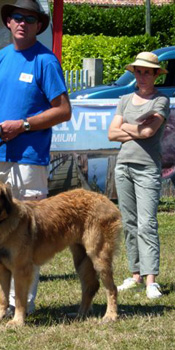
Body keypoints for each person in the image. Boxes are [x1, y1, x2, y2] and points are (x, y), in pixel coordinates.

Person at [0, 0, 71, 315]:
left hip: (29, 160)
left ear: (38, 26)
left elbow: (63, 110)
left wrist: (25, 125)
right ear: (8, 22)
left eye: (30, 19)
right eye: (17, 17)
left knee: (25, 236)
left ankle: (22, 305)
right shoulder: (2, 58)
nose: (22, 23)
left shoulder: (46, 61)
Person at [108, 52, 170, 299]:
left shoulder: (161, 100)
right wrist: (136, 129)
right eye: (138, 71)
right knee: (130, 224)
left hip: (147, 169)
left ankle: (151, 280)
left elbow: (149, 131)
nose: (142, 76)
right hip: (123, 166)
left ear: (156, 74)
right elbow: (111, 134)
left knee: (147, 224)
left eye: (147, 71)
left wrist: (125, 127)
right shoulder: (124, 99)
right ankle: (135, 275)